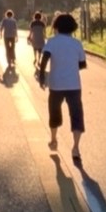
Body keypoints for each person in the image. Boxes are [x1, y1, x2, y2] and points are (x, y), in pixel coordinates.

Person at [38, 12, 87, 165]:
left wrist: (41, 77)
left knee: (54, 112)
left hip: (56, 84)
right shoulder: (77, 43)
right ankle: (76, 148)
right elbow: (82, 64)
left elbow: (44, 59)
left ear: (56, 26)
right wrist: (71, 67)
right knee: (76, 115)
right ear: (73, 27)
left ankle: (53, 140)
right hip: (74, 85)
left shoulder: (52, 42)